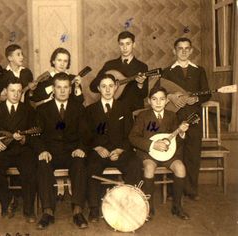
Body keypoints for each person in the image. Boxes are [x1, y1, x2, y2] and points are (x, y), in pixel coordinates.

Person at [34, 72, 89, 230]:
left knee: (80, 164)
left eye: (66, 87)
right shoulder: (42, 109)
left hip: (71, 152)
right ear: (53, 89)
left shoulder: (79, 108)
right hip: (50, 152)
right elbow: (36, 135)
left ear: (70, 89)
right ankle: (48, 211)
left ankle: (77, 211)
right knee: (42, 163)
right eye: (59, 87)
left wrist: (80, 148)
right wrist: (42, 150)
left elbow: (86, 134)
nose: (63, 91)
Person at [86, 74, 142, 223]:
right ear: (98, 88)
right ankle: (94, 209)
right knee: (91, 166)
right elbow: (86, 135)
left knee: (135, 164)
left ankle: (132, 206)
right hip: (99, 152)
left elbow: (130, 134)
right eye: (103, 86)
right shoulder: (90, 110)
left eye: (111, 86)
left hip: (120, 151)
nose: (107, 89)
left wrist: (119, 150)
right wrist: (98, 147)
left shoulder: (124, 108)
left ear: (116, 86)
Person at [129, 86, 190, 220]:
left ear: (167, 101)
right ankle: (148, 207)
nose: (158, 102)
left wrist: (182, 133)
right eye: (154, 99)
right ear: (149, 101)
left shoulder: (172, 116)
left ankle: (177, 207)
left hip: (168, 154)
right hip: (148, 153)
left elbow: (177, 142)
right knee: (149, 168)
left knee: (180, 168)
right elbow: (133, 138)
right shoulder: (143, 116)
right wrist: (152, 145)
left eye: (162, 99)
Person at [161, 37, 210, 200]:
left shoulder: (199, 70)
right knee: (174, 153)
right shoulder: (167, 72)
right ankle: (172, 191)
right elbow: (156, 92)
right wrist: (170, 96)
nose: (183, 51)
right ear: (174, 51)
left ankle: (190, 190)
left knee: (193, 154)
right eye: (179, 48)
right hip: (174, 118)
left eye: (186, 48)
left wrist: (196, 99)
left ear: (191, 51)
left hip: (193, 119)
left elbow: (207, 92)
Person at [0, 78, 37, 223]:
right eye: (12, 90)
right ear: (6, 91)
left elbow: (37, 133)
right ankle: (8, 199)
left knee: (30, 169)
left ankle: (29, 210)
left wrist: (25, 139)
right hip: (2, 150)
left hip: (22, 150)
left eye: (19, 91)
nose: (16, 94)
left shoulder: (29, 110)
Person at [94, 31, 148, 114]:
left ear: (134, 45)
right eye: (122, 44)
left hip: (133, 111)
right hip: (113, 110)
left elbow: (144, 94)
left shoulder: (142, 67)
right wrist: (108, 86)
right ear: (119, 45)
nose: (125, 47)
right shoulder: (110, 65)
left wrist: (140, 84)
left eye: (128, 44)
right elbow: (93, 86)